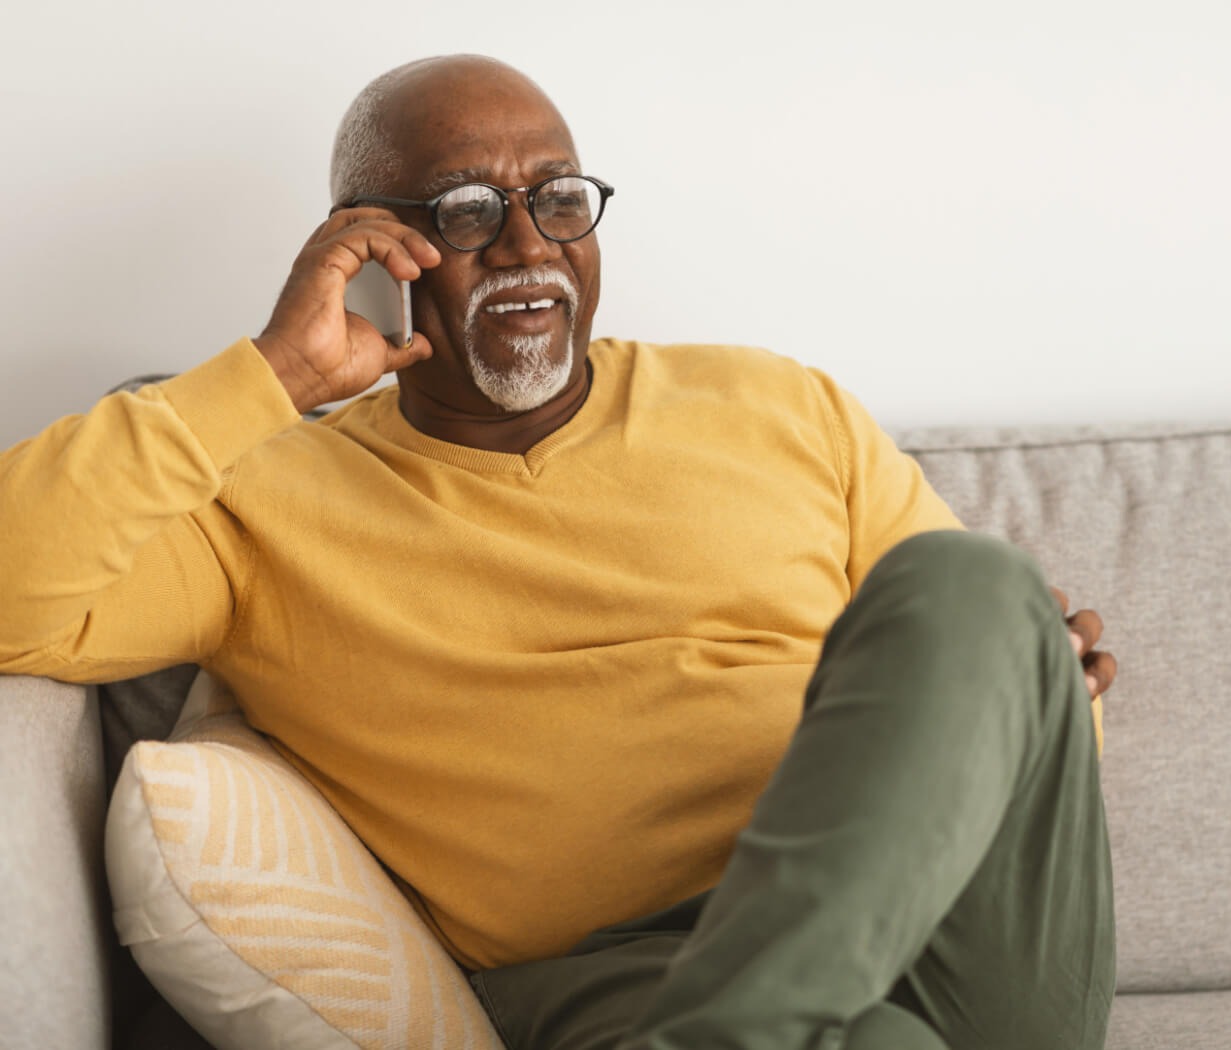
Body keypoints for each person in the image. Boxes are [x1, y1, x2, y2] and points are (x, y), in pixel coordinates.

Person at [0, 54, 1117, 1050]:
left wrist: (1039, 683)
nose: (530, 245)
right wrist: (269, 382)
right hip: (621, 976)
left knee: (977, 583)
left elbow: (972, 697)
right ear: (370, 247)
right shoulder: (262, 499)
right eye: (472, 210)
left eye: (560, 202)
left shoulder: (777, 403)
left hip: (948, 924)